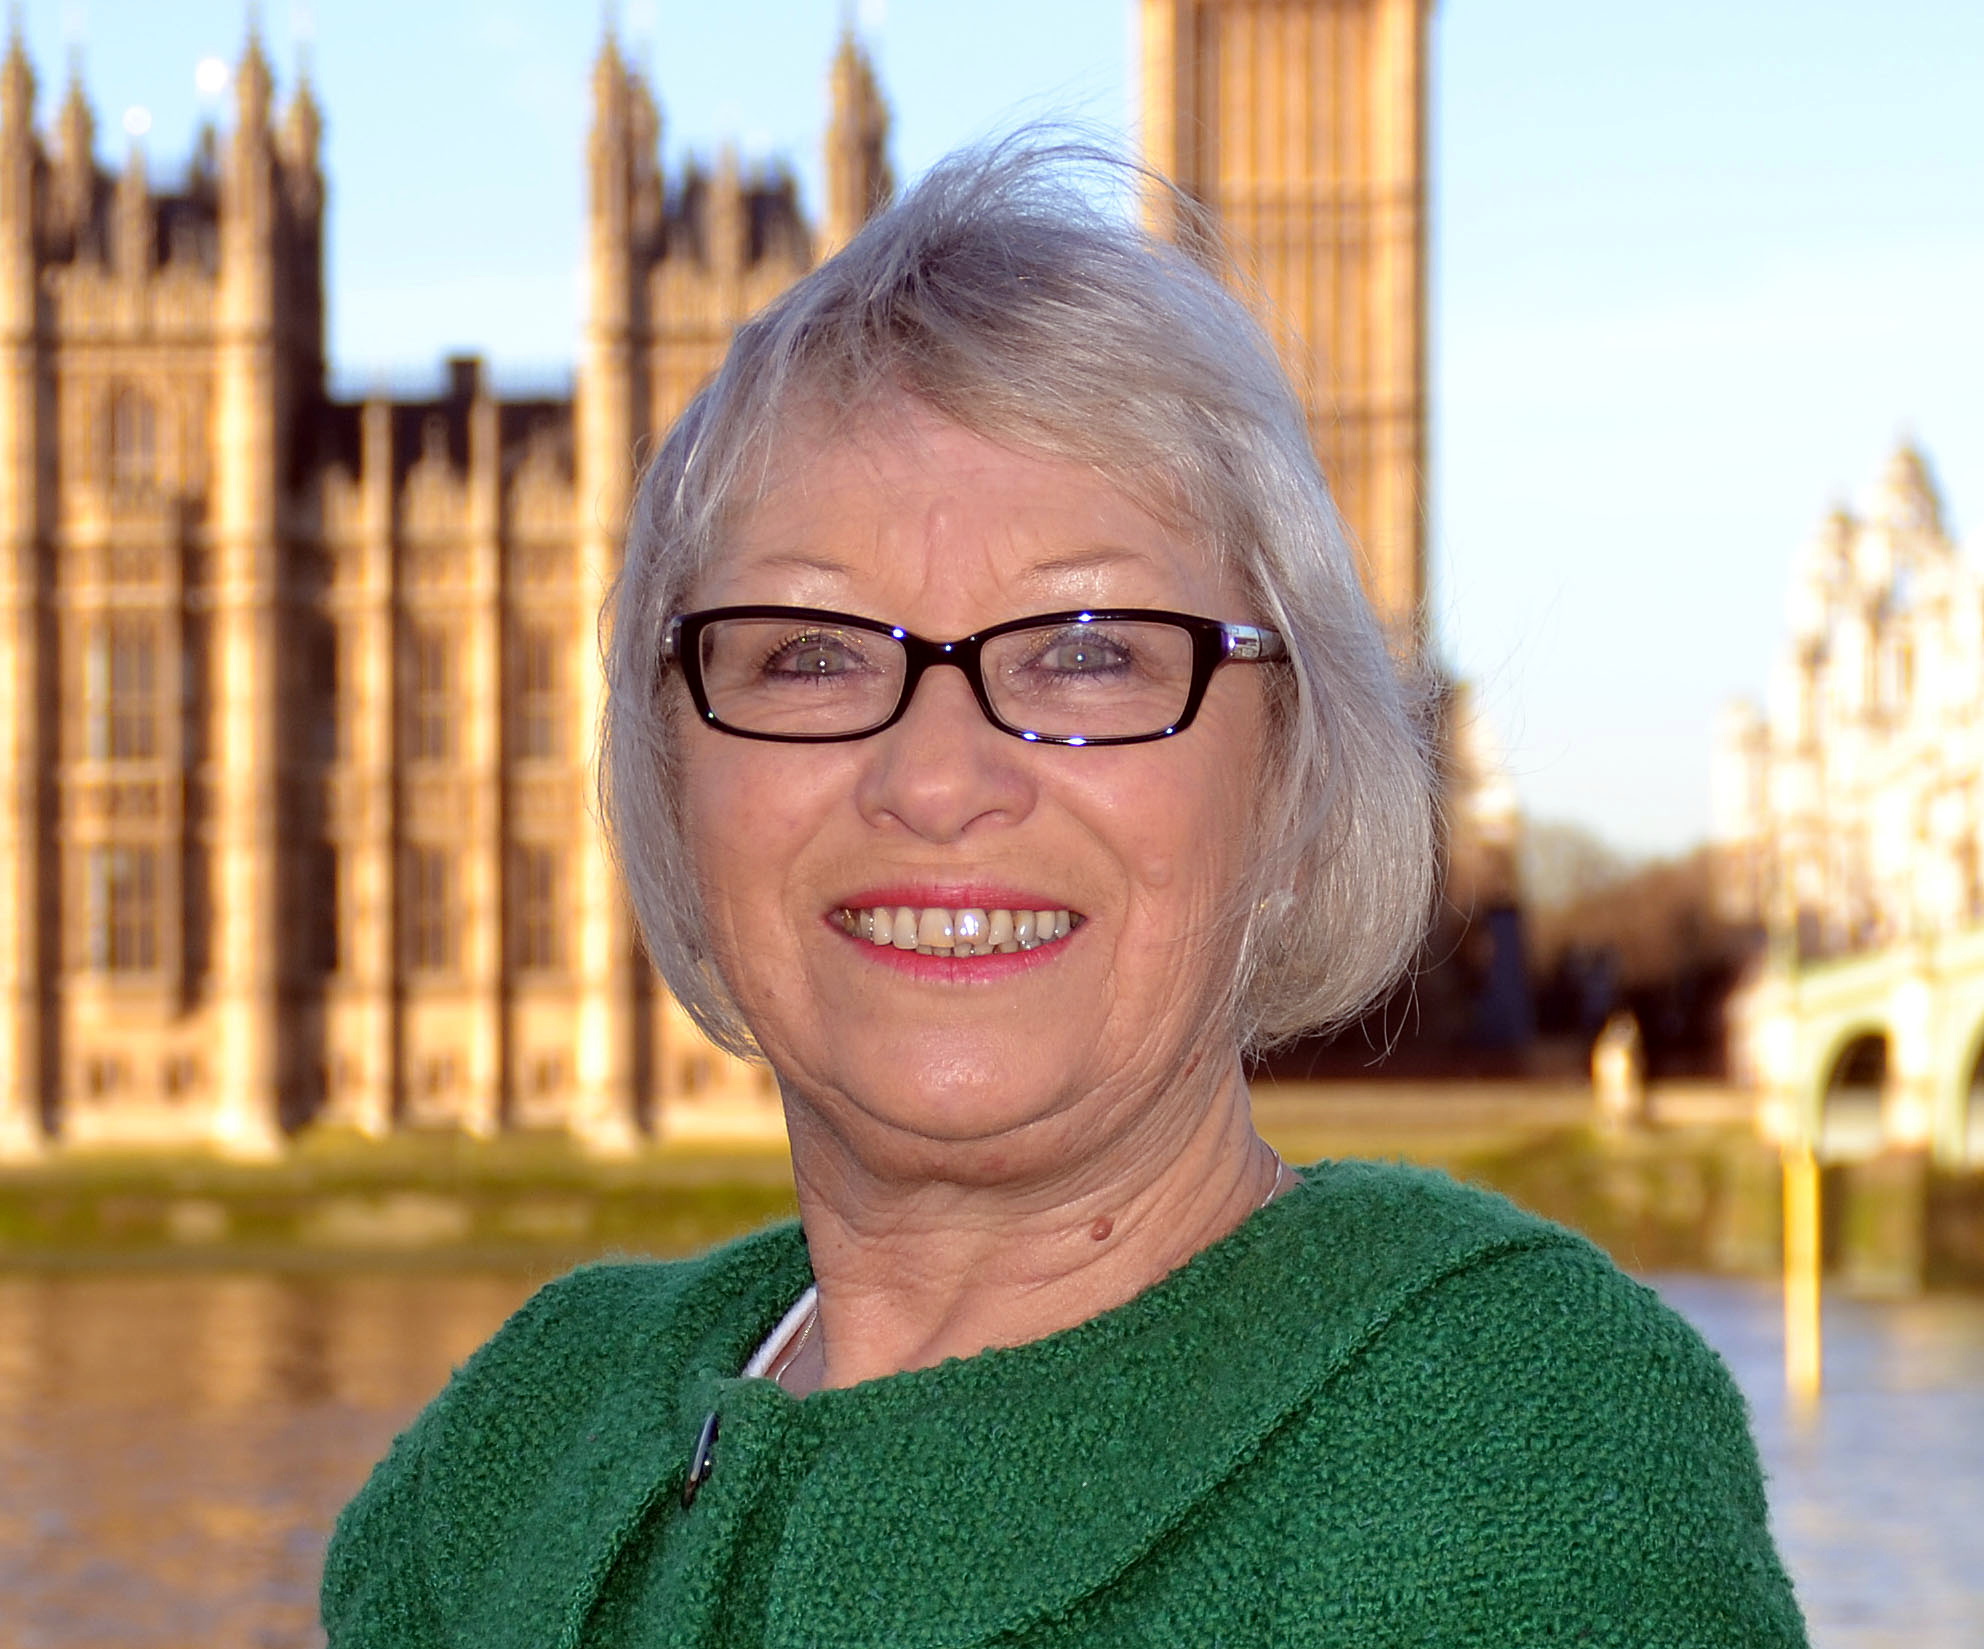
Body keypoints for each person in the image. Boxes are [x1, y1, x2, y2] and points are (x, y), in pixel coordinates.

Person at [322, 142, 1808, 1646]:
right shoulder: (518, 1447)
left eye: (1088, 649)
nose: (937, 772)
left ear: (1292, 779)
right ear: (670, 769)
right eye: (811, 651)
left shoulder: (1508, 1452)